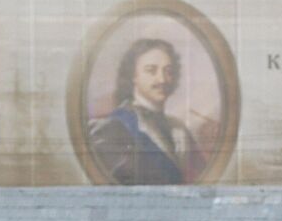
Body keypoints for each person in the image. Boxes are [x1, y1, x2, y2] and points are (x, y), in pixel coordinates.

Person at [87, 38, 206, 185]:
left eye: (168, 71)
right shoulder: (113, 128)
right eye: (151, 71)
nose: (162, 79)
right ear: (133, 76)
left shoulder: (179, 129)